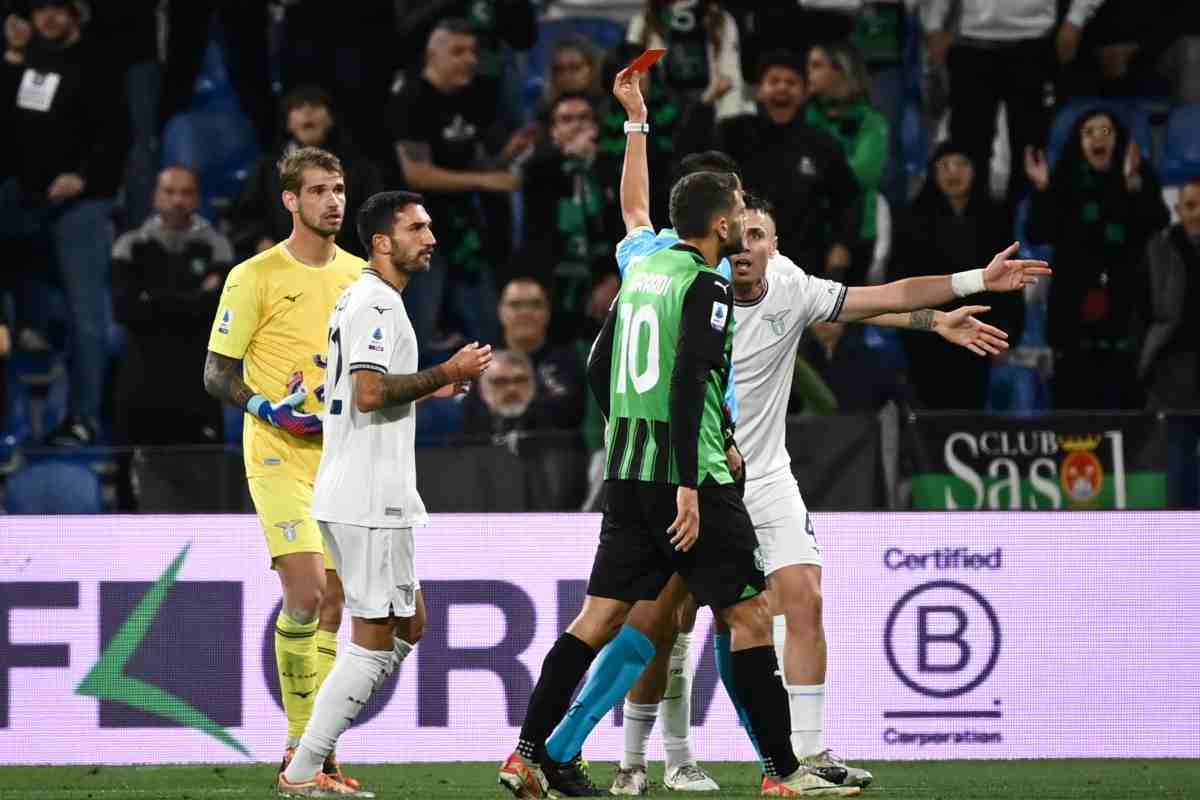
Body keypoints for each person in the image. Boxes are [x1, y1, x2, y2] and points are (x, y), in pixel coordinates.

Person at [571, 69, 1043, 797]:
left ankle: (805, 756)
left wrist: (969, 286)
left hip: (762, 477)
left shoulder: (791, 286)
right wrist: (635, 124)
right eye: (740, 232)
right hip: (687, 474)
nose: (749, 244)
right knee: (662, 620)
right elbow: (634, 212)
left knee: (798, 600)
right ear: (721, 235)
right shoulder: (686, 281)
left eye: (761, 234)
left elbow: (876, 298)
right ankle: (640, 759)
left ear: (774, 243)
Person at [498, 65, 863, 800]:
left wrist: (634, 122)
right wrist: (697, 480)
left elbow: (607, 344)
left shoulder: (645, 264)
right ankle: (783, 771)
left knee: (604, 617)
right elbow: (695, 375)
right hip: (687, 474)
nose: (741, 221)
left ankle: (532, 751)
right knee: (749, 614)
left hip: (625, 468)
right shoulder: (709, 283)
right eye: (735, 212)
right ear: (721, 224)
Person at [278, 190, 492, 796]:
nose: (430, 238)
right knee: (375, 639)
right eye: (417, 228)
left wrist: (428, 392)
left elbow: (356, 396)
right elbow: (370, 394)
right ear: (381, 241)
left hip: (366, 492)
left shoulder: (367, 299)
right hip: (369, 498)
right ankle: (304, 769)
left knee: (410, 624)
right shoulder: (375, 303)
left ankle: (315, 747)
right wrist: (447, 372)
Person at [202, 147, 365, 792]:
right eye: (320, 190)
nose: (334, 201)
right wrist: (267, 405)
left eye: (341, 188)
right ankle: (303, 752)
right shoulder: (254, 275)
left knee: (334, 605)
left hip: (342, 453)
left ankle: (314, 756)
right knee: (307, 594)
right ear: (290, 201)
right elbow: (217, 372)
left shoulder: (361, 277)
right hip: (275, 451)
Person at [0, 0, 130, 445]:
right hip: (26, 207)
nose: (48, 19)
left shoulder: (99, 61)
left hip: (83, 204)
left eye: (57, 9)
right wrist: (14, 60)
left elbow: (117, 136)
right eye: (40, 11)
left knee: (87, 317)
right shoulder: (27, 61)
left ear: (75, 13)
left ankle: (83, 419)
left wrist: (83, 177)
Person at [388, 18, 533, 353]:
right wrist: (488, 181)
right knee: (417, 336)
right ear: (432, 55)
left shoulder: (474, 95)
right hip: (415, 233)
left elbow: (473, 161)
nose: (469, 59)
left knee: (489, 330)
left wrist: (509, 153)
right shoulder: (410, 98)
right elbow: (418, 174)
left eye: (472, 51)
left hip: (464, 228)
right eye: (458, 51)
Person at [1024, 108, 1167, 409]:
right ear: (1079, 141)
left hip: (1126, 310)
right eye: (1089, 131)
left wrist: (1134, 188)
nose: (1098, 138)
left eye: (1106, 131)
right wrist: (1042, 189)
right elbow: (1038, 233)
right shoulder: (1063, 179)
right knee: (1075, 406)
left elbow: (1156, 223)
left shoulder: (1138, 178)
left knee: (1126, 402)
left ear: (1119, 140)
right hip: (1073, 311)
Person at [680, 50, 861, 280]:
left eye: (791, 82)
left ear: (805, 93)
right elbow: (689, 161)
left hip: (803, 264)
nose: (782, 88)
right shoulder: (734, 132)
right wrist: (705, 103)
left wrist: (842, 245)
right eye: (774, 81)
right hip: (738, 259)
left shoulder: (822, 144)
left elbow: (849, 198)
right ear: (759, 91)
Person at [920, 0, 1107, 210]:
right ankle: (968, 234)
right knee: (967, 148)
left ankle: (1026, 232)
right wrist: (933, 23)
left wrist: (1076, 19)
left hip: (1034, 42)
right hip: (972, 43)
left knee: (1031, 150)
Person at [891, 141, 1021, 410]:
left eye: (961, 164)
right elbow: (900, 285)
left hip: (980, 334)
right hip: (928, 338)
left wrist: (1006, 335)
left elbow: (1012, 281)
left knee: (971, 414)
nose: (953, 173)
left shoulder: (995, 219)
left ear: (976, 170)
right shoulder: (912, 220)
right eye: (944, 166)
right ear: (932, 173)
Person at [112, 165, 232, 447]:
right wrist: (194, 297)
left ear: (198, 198)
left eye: (186, 193)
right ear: (155, 196)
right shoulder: (130, 246)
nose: (178, 200)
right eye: (169, 192)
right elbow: (125, 310)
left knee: (204, 481)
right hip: (142, 383)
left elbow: (217, 314)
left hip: (197, 386)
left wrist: (152, 298)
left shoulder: (218, 247)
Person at [233, 86, 384, 260]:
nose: (307, 112)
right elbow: (246, 217)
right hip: (282, 266)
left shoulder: (359, 168)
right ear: (288, 123)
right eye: (298, 107)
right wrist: (261, 241)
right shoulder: (267, 169)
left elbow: (374, 217)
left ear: (330, 119)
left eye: (315, 106)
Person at [805, 42, 889, 286]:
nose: (808, 72)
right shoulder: (805, 116)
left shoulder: (870, 121)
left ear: (841, 70)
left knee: (849, 319)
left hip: (858, 232)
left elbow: (864, 174)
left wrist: (816, 171)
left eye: (817, 65)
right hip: (809, 230)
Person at [1138, 179, 1200, 508]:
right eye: (1190, 205)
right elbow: (1149, 308)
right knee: (1176, 451)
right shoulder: (1160, 249)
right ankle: (1179, 531)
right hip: (1174, 365)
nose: (1198, 213)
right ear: (1177, 210)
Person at [497, 277, 586, 429]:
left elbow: (568, 416)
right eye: (515, 305)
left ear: (548, 312)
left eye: (535, 304)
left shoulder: (570, 363)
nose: (525, 312)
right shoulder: (482, 364)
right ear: (500, 312)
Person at [462, 349, 557, 440]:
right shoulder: (460, 424)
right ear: (481, 387)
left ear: (534, 384)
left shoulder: (556, 421)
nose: (512, 388)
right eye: (500, 381)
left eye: (521, 380)